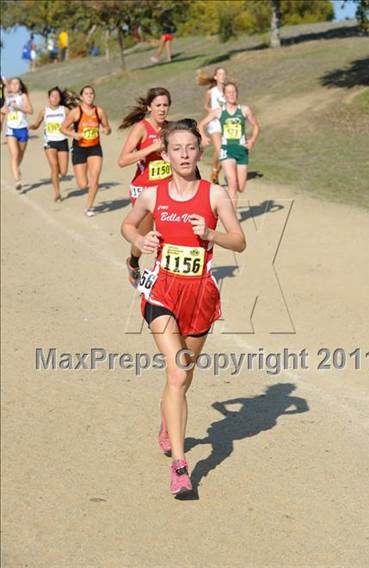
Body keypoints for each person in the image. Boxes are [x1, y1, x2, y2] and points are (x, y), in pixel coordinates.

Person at [121, 118, 246, 497]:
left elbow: (239, 242)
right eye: (177, 148)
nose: (184, 154)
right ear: (166, 152)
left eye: (190, 147)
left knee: (183, 376)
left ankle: (167, 421)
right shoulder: (152, 194)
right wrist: (141, 241)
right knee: (177, 375)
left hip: (200, 296)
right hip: (161, 292)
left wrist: (212, 235)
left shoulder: (215, 195)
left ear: (199, 150)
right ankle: (180, 465)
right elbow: (128, 226)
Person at [118, 87, 172, 287]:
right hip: (144, 190)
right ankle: (133, 262)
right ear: (149, 107)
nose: (162, 109)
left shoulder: (171, 128)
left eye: (165, 105)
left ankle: (165, 274)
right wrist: (151, 148)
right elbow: (122, 160)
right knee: (143, 236)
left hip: (166, 190)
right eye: (158, 105)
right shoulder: (141, 128)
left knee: (169, 231)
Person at [198, 82, 260, 209]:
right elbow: (201, 125)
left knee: (241, 187)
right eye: (229, 92)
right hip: (227, 150)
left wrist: (252, 140)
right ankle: (232, 217)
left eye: (234, 92)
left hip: (242, 150)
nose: (231, 95)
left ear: (237, 94)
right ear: (224, 96)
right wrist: (203, 137)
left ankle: (226, 199)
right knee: (232, 182)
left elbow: (256, 126)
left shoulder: (244, 110)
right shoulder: (219, 112)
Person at [60, 85, 111, 216]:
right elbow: (63, 128)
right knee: (83, 184)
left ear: (94, 96)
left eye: (91, 93)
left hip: (94, 148)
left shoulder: (99, 111)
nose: (89, 96)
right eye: (86, 94)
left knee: (95, 179)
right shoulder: (76, 112)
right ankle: (87, 193)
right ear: (81, 97)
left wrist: (106, 130)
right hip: (79, 149)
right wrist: (74, 134)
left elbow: (107, 127)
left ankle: (89, 207)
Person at [29, 86, 70, 202]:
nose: (55, 98)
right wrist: (32, 126)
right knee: (54, 167)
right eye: (53, 96)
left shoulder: (65, 110)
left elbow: (73, 121)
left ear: (60, 98)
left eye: (57, 96)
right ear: (49, 98)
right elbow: (37, 124)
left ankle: (57, 177)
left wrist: (72, 127)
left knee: (64, 171)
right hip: (49, 142)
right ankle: (57, 193)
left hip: (62, 141)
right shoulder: (44, 111)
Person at [1, 77, 33, 190]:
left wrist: (18, 107)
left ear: (20, 86)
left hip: (23, 130)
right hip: (11, 130)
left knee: (20, 155)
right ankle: (17, 180)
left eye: (16, 83)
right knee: (14, 155)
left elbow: (30, 110)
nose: (14, 85)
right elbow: (2, 106)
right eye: (12, 84)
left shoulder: (23, 96)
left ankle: (16, 168)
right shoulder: (6, 97)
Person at [197, 67, 226, 184]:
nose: (223, 76)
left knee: (226, 151)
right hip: (214, 122)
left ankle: (216, 171)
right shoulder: (211, 92)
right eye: (220, 74)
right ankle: (214, 169)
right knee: (220, 149)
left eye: (224, 74)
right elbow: (205, 106)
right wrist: (212, 112)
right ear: (215, 77)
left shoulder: (228, 90)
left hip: (227, 122)